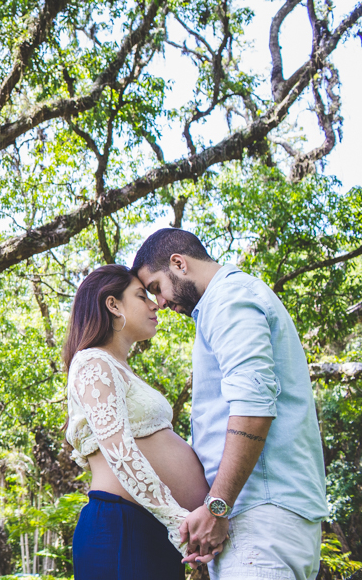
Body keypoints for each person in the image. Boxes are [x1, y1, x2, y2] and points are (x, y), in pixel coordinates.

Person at [132, 228, 327, 580]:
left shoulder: (228, 298)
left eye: (157, 287)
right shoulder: (230, 299)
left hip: (260, 516)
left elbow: (253, 407)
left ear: (179, 263)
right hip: (268, 516)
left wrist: (217, 508)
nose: (159, 302)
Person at [64, 264, 216, 579]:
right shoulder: (93, 362)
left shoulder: (119, 369)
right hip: (122, 527)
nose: (154, 304)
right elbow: (120, 453)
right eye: (141, 296)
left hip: (145, 526)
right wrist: (178, 523)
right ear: (113, 304)